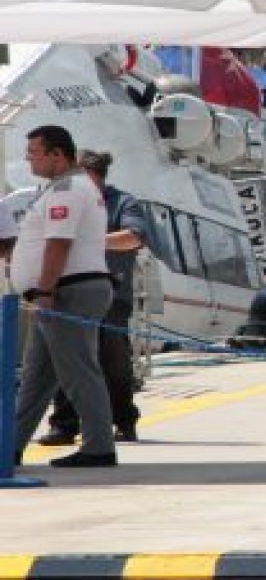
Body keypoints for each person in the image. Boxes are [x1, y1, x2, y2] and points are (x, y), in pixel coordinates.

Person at [12, 125, 116, 468]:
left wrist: (44, 290)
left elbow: (59, 243)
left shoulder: (67, 189)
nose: (28, 159)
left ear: (57, 154)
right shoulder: (64, 187)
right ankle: (9, 446)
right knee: (36, 377)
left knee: (78, 371)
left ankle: (99, 446)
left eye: (34, 152)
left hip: (67, 291)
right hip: (62, 289)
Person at [37, 151, 147, 447]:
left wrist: (88, 239)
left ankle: (123, 420)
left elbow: (134, 237)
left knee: (113, 361)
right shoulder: (63, 198)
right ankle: (64, 424)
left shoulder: (123, 203)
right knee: (66, 358)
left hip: (110, 294)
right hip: (68, 291)